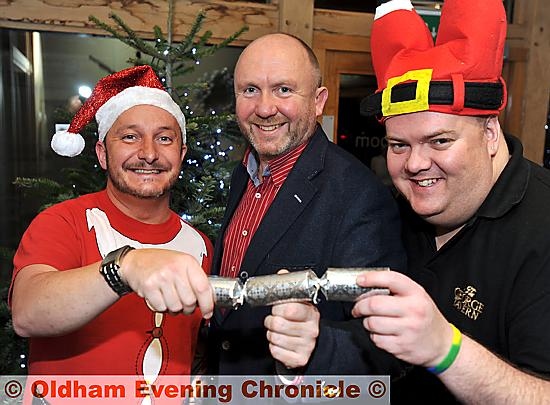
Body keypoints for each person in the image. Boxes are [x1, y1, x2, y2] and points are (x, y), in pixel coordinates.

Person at [354, 0, 550, 403]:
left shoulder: (543, 227)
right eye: (398, 145)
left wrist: (447, 350)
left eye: (440, 140)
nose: (415, 164)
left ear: (490, 133)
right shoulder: (390, 211)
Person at [207, 32, 407, 376]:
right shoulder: (244, 172)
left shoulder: (359, 196)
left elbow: (386, 350)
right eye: (250, 90)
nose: (265, 108)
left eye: (284, 89)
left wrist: (314, 346)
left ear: (318, 101)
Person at [10, 65, 215, 379]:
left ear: (181, 153)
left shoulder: (200, 246)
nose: (148, 153)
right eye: (130, 137)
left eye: (164, 138)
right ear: (103, 154)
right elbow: (27, 313)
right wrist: (124, 268)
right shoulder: (63, 222)